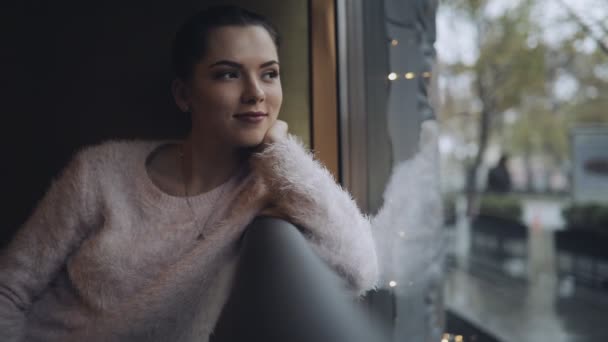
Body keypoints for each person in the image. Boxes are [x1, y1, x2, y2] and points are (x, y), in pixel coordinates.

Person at [0, 6, 378, 342]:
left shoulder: (267, 187)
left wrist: (278, 148)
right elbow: (10, 289)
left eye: (269, 74)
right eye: (228, 75)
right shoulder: (99, 171)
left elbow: (360, 267)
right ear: (184, 95)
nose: (255, 93)